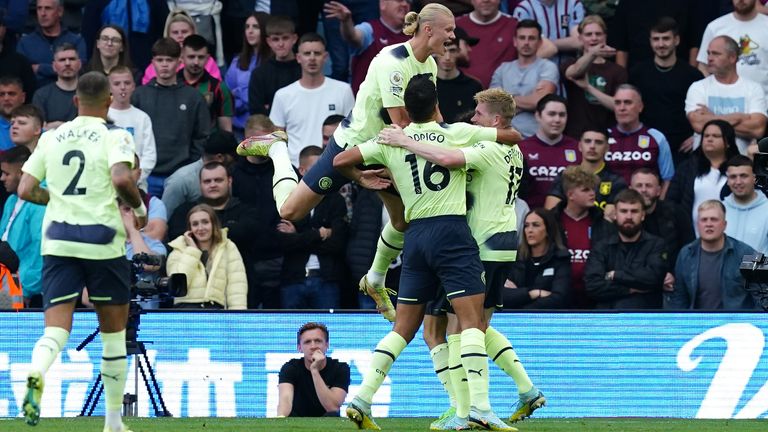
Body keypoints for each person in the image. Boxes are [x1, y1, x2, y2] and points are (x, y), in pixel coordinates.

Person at [237, 5, 521, 324]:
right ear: (428, 30)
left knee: (404, 220)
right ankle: (277, 147)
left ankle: (374, 280)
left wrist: (453, 138)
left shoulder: (427, 62)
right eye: (449, 30)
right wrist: (449, 149)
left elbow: (433, 117)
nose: (453, 37)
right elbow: (402, 125)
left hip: (388, 148)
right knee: (290, 211)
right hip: (356, 144)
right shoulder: (393, 62)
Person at [333, 76, 515, 431]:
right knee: (471, 323)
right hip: (452, 233)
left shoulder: (387, 141)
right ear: (436, 105)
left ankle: (362, 397)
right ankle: (479, 406)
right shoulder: (458, 132)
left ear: (404, 107)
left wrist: (362, 178)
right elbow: (511, 136)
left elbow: (340, 159)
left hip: (415, 237)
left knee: (403, 328)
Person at [378, 87, 544, 428]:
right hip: (503, 242)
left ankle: (466, 410)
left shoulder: (488, 146)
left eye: (479, 115)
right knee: (476, 326)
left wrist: (405, 142)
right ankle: (526, 390)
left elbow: (450, 160)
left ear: (495, 120)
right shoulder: (513, 152)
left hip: (476, 244)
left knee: (457, 330)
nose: (473, 119)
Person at [19, 71, 144, 432]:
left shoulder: (51, 137)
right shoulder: (115, 135)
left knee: (56, 331)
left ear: (76, 101)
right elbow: (122, 177)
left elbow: (26, 188)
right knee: (113, 335)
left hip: (58, 241)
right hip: (102, 241)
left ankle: (36, 372)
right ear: (108, 102)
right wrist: (137, 209)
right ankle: (113, 423)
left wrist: (53, 198)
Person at [132, 37, 210, 197]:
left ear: (179, 62)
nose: (165, 64)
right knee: (146, 221)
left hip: (180, 174)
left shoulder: (193, 97)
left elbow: (202, 136)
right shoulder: (139, 95)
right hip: (146, 174)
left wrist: (188, 166)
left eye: (169, 60)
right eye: (160, 60)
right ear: (152, 62)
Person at [269, 33, 355, 166]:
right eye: (307, 53)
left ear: (325, 57)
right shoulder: (283, 95)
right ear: (298, 57)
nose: (312, 58)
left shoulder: (343, 90)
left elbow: (353, 132)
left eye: (317, 53)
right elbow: (276, 142)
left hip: (333, 167)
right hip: (295, 168)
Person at [278, 146, 348, 309]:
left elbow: (338, 243)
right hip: (293, 280)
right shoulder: (289, 200)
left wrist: (298, 236)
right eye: (316, 169)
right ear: (302, 170)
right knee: (291, 331)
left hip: (326, 281)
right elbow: (282, 242)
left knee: (328, 331)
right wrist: (319, 234)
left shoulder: (336, 201)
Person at [629, 17, 703, 163]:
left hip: (682, 148)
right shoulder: (637, 73)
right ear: (650, 41)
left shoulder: (692, 75)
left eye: (666, 39)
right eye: (656, 39)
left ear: (676, 40)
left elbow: (703, 110)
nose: (661, 44)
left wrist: (697, 137)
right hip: (646, 145)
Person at [666, 200, 758, 310]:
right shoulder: (685, 254)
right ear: (698, 225)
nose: (708, 224)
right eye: (704, 220)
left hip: (736, 324)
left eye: (714, 219)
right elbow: (679, 298)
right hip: (699, 324)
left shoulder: (747, 253)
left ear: (724, 225)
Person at [584, 189, 668, 309]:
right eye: (624, 211)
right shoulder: (601, 247)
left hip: (645, 320)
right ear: (615, 215)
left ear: (643, 215)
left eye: (634, 211)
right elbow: (592, 286)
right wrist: (630, 289)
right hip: (607, 320)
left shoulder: (656, 244)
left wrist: (615, 275)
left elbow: (654, 278)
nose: (629, 216)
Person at [685, 35, 767, 155]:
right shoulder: (698, 87)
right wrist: (738, 117)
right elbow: (698, 124)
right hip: (704, 167)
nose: (709, 58)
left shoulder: (753, 89)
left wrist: (712, 117)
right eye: (708, 53)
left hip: (740, 167)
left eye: (716, 54)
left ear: (732, 57)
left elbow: (758, 129)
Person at [550, 165, 611, 309]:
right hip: (558, 297)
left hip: (594, 298)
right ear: (570, 195)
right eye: (586, 190)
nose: (592, 194)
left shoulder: (604, 224)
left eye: (593, 189)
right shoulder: (551, 222)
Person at [166, 203, 247, 309]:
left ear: (214, 224)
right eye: (195, 224)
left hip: (216, 310)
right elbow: (177, 286)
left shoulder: (228, 247)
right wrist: (192, 251)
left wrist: (238, 318)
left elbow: (237, 288)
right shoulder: (178, 249)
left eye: (205, 222)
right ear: (189, 229)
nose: (200, 228)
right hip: (185, 310)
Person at [324, 0, 410, 95]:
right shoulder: (370, 30)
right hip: (369, 106)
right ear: (383, 4)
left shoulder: (416, 36)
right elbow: (352, 36)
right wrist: (346, 21)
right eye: (399, 0)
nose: (405, 4)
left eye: (408, 1)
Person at [667, 119, 740, 231]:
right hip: (692, 236)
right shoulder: (686, 167)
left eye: (715, 136)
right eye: (706, 136)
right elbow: (671, 201)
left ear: (728, 142)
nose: (709, 139)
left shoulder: (739, 169)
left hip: (731, 233)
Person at [490, 19, 559, 138]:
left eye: (531, 38)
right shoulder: (502, 69)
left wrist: (507, 99)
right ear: (515, 41)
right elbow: (493, 105)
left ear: (540, 42)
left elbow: (539, 102)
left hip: (536, 138)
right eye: (522, 38)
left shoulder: (547, 67)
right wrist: (528, 100)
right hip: (504, 137)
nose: (526, 42)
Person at [562, 14, 627, 139]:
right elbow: (573, 73)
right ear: (580, 38)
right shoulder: (570, 63)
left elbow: (619, 106)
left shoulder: (617, 70)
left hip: (607, 136)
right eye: (588, 34)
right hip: (576, 136)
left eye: (598, 34)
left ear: (605, 37)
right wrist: (593, 53)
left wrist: (588, 88)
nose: (594, 38)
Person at [606, 84, 675, 192]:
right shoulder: (604, 137)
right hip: (608, 204)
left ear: (640, 107)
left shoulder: (657, 137)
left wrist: (661, 206)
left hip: (645, 204)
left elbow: (668, 179)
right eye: (617, 103)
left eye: (628, 102)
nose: (622, 108)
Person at [0, 146, 44, 307]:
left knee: (18, 330)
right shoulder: (11, 200)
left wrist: (27, 289)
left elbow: (39, 249)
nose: (2, 178)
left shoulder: (39, 203)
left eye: (7, 173)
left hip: (28, 290)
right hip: (6, 285)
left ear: (22, 173)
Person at [545, 128, 626, 215]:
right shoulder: (565, 176)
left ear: (607, 148)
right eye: (588, 141)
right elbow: (550, 214)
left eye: (598, 142)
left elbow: (610, 218)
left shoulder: (616, 181)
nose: (592, 146)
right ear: (580, 146)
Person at [518, 94, 579, 209]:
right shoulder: (521, 148)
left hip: (565, 218)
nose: (557, 120)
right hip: (530, 218)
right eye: (551, 114)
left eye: (562, 115)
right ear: (538, 116)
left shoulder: (578, 148)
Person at [277, 322, 350, 417]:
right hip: (297, 423)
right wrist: (281, 419)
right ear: (299, 348)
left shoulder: (340, 368)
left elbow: (333, 407)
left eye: (318, 341)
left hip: (327, 425)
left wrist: (314, 370)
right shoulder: (290, 368)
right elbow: (285, 400)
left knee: (332, 415)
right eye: (307, 342)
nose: (313, 346)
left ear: (327, 345)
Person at [696, 0, 768, 95]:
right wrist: (711, 93)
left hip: (763, 102)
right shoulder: (715, 27)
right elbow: (703, 67)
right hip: (721, 102)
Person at [504, 208, 571, 309]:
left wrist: (520, 302)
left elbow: (559, 298)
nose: (530, 230)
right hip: (513, 319)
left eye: (536, 225)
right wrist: (533, 293)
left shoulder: (560, 259)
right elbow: (501, 296)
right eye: (526, 226)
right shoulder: (515, 258)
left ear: (548, 230)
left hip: (547, 319)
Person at [161, 129, 238, 217]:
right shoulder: (181, 180)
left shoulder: (233, 174)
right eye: (233, 157)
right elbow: (164, 219)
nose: (235, 161)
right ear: (220, 157)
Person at [629, 168, 693, 269]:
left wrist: (674, 274)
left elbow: (689, 248)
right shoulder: (623, 217)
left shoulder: (676, 212)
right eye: (639, 185)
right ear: (630, 190)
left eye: (649, 185)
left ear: (659, 191)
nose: (644, 190)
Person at [17, 0, 87, 87]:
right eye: (39, 8)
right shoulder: (25, 43)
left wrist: (40, 68)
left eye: (48, 8)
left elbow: (79, 69)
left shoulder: (76, 40)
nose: (42, 13)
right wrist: (63, 68)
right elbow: (22, 72)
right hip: (36, 96)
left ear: (60, 11)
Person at [141, 9, 221, 85]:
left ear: (193, 32)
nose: (180, 36)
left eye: (184, 32)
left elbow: (216, 88)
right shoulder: (158, 63)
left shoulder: (207, 61)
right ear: (168, 35)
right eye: (175, 32)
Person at [108, 66, 156, 191]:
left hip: (137, 185)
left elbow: (149, 155)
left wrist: (135, 178)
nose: (122, 87)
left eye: (127, 83)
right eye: (117, 84)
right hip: (107, 185)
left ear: (134, 86)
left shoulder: (142, 117)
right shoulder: (103, 115)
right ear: (109, 88)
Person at [225, 12, 271, 141]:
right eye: (247, 27)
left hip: (266, 130)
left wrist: (239, 93)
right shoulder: (237, 61)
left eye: (255, 27)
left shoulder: (273, 62)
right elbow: (228, 96)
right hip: (239, 130)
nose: (250, 31)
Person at [455, 0, 519, 88]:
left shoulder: (514, 25)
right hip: (462, 93)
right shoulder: (455, 25)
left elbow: (542, 46)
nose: (486, 0)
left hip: (503, 96)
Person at [179, 34, 234, 133]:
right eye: (191, 57)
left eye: (201, 57)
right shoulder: (172, 84)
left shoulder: (218, 88)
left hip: (208, 145)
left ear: (208, 58)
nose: (196, 62)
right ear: (182, 56)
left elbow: (226, 131)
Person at [247, 16, 301, 116]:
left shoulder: (304, 71)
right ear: (269, 42)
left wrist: (270, 107)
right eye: (275, 39)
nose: (280, 44)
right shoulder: (259, 74)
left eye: (285, 38)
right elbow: (256, 112)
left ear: (294, 39)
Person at [512, 0, 585, 66]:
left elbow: (579, 41)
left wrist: (548, 45)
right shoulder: (524, 9)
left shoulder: (572, 4)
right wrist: (564, 43)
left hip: (568, 70)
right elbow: (524, 45)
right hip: (537, 70)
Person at [435, 28, 483, 124]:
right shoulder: (424, 85)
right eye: (443, 50)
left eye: (452, 50)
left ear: (458, 52)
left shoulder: (474, 86)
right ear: (434, 52)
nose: (447, 57)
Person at [723, 155, 768, 254]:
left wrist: (748, 266)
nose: (738, 182)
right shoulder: (720, 210)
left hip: (758, 269)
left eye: (744, 176)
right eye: (733, 177)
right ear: (727, 181)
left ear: (754, 178)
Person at [31, 43, 80, 129]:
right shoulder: (41, 95)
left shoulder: (90, 93)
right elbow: (39, 130)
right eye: (62, 60)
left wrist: (57, 126)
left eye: (72, 59)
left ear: (79, 64)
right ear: (54, 66)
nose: (67, 63)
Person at [0, 75, 26, 151]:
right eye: (1, 95)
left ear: (23, 97)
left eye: (11, 94)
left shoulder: (35, 128)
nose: (6, 98)